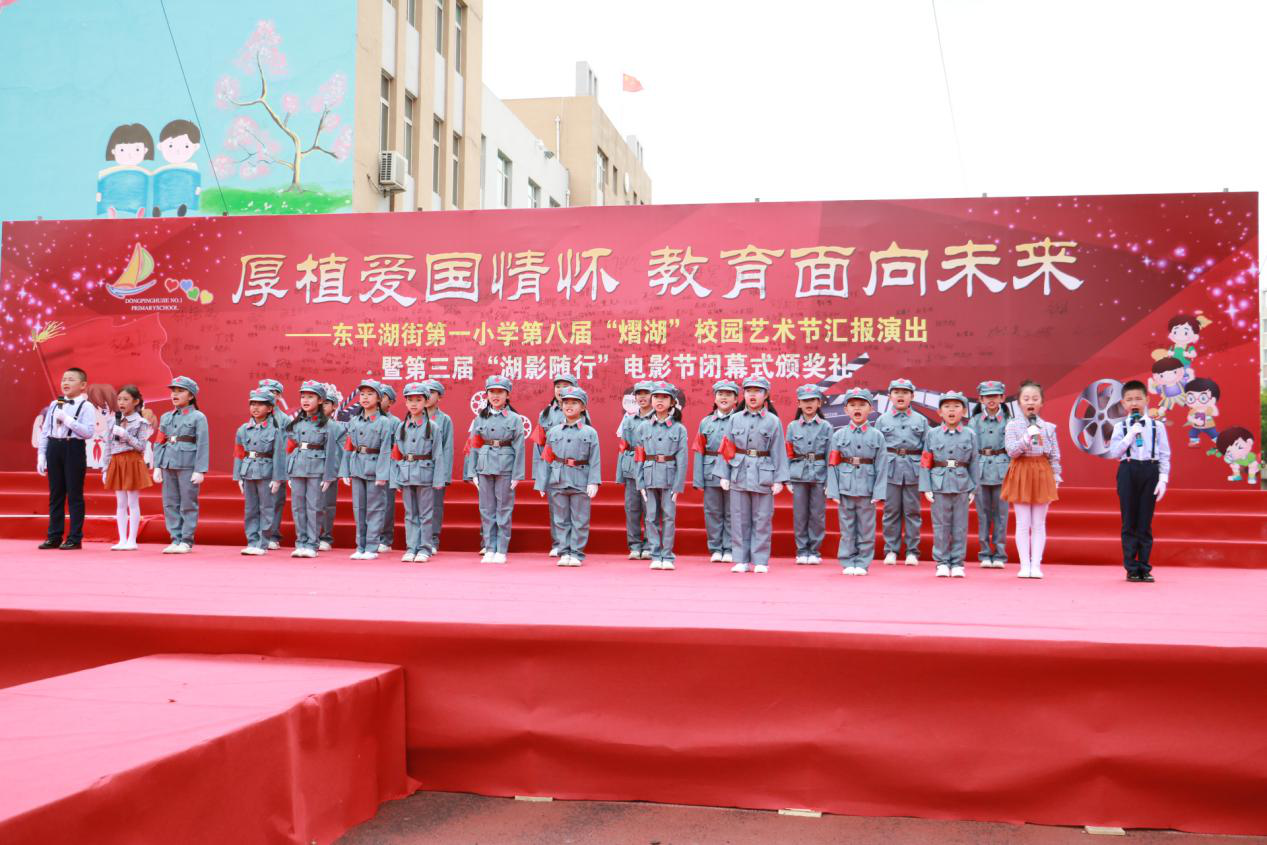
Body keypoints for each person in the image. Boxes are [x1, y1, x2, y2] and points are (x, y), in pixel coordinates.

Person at [716, 376, 789, 574]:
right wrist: (724, 473)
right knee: (739, 518)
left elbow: (778, 450)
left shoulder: (773, 421)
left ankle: (760, 560)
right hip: (739, 471)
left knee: (762, 518)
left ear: (766, 395)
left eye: (757, 391)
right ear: (744, 395)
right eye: (748, 391)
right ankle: (740, 559)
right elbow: (727, 447)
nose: (752, 395)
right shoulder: (735, 418)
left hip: (763, 473)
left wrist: (779, 479)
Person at [1107, 379, 1170, 582]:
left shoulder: (1157, 426)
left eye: (1138, 398)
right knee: (1129, 520)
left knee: (1145, 521)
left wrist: (1163, 478)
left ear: (1146, 400)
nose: (1134, 402)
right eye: (1129, 399)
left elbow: (1164, 453)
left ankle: (1145, 567)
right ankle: (1131, 568)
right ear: (1124, 404)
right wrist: (1130, 436)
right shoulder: (1120, 427)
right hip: (1128, 469)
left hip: (1150, 469)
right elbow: (1115, 452)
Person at [1001, 380, 1062, 579]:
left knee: (1039, 523)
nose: (1030, 402)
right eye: (1026, 398)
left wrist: (1056, 476)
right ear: (1019, 402)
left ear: (1041, 402)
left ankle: (1036, 565)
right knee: (1022, 522)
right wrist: (1027, 437)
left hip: (1042, 471)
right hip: (1021, 470)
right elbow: (1011, 451)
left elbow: (1054, 455)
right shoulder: (1012, 426)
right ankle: (1024, 565)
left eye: (1035, 399)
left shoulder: (1049, 427)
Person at [825, 388, 890, 575]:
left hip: (867, 489)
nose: (857, 408)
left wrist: (878, 492)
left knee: (866, 528)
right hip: (845, 487)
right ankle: (847, 561)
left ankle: (862, 562)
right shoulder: (838, 436)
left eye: (862, 404)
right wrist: (834, 490)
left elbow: (882, 465)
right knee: (847, 528)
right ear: (845, 410)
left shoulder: (877, 436)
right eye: (852, 405)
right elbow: (833, 464)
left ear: (871, 408)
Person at [463, 375, 526, 564]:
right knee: (486, 508)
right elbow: (474, 445)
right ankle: (489, 547)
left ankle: (501, 549)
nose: (495, 396)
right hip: (484, 465)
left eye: (500, 392)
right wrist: (472, 472)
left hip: (505, 466)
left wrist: (518, 474)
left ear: (507, 394)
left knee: (504, 508)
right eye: (492, 392)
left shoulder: (514, 419)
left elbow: (519, 447)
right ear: (487, 394)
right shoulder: (480, 418)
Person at [919, 391, 980, 578]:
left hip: (962, 484)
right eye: (947, 407)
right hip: (939, 483)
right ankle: (942, 562)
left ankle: (958, 563)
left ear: (963, 411)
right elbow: (925, 460)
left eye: (956, 407)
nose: (951, 410)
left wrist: (974, 489)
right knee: (941, 525)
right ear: (939, 412)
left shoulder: (970, 434)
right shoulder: (932, 434)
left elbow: (975, 462)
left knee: (960, 526)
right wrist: (926, 486)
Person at [539, 386, 601, 566]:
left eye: (574, 403)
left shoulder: (590, 432)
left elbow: (595, 459)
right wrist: (543, 483)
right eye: (566, 402)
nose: (569, 406)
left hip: (580, 479)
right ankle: (563, 551)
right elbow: (547, 458)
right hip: (558, 479)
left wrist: (594, 482)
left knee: (580, 519)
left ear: (583, 407)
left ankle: (576, 553)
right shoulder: (554, 432)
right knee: (560, 519)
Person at [36, 367, 96, 550]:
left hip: (73, 447)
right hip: (54, 447)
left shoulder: (86, 406)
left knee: (74, 494)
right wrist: (41, 455)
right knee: (56, 494)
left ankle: (74, 537)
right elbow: (46, 431)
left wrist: (68, 420)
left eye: (71, 379)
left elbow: (88, 432)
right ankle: (54, 536)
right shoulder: (55, 404)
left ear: (83, 385)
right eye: (63, 379)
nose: (65, 383)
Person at [391, 382, 451, 563]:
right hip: (407, 473)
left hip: (425, 474)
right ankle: (411, 547)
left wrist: (439, 479)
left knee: (426, 514)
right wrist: (395, 480)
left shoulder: (433, 427)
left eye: (418, 400)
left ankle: (424, 548)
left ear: (425, 402)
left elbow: (439, 455)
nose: (414, 404)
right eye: (410, 400)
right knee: (410, 514)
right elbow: (396, 454)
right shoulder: (401, 427)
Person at [151, 376, 209, 554]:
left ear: (191, 396)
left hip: (187, 464)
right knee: (170, 503)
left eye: (180, 391)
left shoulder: (198, 417)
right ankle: (175, 538)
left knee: (188, 503)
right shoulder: (167, 417)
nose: (175, 394)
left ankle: (186, 540)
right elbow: (160, 441)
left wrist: (200, 470)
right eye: (173, 391)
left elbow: (203, 443)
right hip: (169, 462)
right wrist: (157, 465)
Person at [338, 380, 395, 560]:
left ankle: (371, 546)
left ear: (379, 398)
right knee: (359, 508)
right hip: (357, 466)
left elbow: (387, 449)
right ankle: (360, 546)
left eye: (370, 394)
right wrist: (345, 470)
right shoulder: (354, 420)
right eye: (362, 394)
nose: (365, 398)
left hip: (375, 467)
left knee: (375, 508)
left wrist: (383, 474)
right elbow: (348, 446)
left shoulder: (385, 422)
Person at [285, 381, 340, 558]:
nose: (305, 400)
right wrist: (287, 471)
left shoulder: (328, 425)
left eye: (310, 397)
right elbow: (290, 447)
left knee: (314, 507)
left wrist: (329, 475)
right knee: (298, 507)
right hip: (298, 467)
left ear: (320, 400)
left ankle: (312, 543)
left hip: (317, 468)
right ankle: (300, 542)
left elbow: (331, 451)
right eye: (303, 397)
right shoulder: (296, 423)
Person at [636, 381, 688, 570]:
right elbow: (639, 456)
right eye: (656, 397)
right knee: (650, 517)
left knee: (668, 517)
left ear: (672, 402)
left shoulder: (679, 429)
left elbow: (682, 459)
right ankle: (655, 554)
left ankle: (667, 555)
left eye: (664, 397)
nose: (659, 401)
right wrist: (639, 482)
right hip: (649, 476)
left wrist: (678, 486)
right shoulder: (643, 427)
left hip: (669, 476)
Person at [878, 378, 928, 565]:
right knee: (891, 511)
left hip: (913, 470)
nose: (900, 395)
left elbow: (927, 450)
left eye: (905, 392)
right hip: (890, 470)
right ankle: (891, 549)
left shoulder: (921, 420)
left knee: (912, 512)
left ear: (912, 396)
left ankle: (912, 551)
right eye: (896, 392)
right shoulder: (882, 420)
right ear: (889, 396)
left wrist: (925, 475)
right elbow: (878, 449)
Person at [233, 390, 286, 555]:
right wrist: (238, 476)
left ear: (270, 408)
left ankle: (263, 542)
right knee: (250, 508)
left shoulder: (275, 429)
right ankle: (251, 541)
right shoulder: (243, 429)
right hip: (248, 471)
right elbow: (238, 453)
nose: (255, 408)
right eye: (253, 404)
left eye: (260, 404)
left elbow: (279, 454)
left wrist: (277, 478)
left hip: (266, 472)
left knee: (266, 508)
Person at [532, 373, 580, 558]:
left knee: (575, 510)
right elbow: (539, 444)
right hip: (554, 468)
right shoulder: (545, 413)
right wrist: (540, 474)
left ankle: (574, 546)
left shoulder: (581, 411)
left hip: (575, 469)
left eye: (566, 385)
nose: (561, 389)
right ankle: (559, 543)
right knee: (556, 509)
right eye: (558, 386)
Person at [692, 380, 739, 562]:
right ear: (715, 397)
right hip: (710, 471)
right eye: (720, 394)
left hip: (732, 471)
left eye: (728, 394)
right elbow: (699, 450)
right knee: (712, 511)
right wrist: (698, 479)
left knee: (731, 512)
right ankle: (715, 548)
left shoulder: (739, 419)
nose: (724, 397)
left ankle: (729, 548)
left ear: (736, 399)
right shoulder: (705, 422)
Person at [102, 385, 153, 550]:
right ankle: (122, 539)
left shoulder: (142, 422)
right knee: (120, 502)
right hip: (116, 462)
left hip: (132, 461)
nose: (121, 403)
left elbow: (141, 446)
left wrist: (126, 435)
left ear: (136, 401)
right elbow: (108, 447)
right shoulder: (112, 421)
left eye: (126, 399)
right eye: (119, 399)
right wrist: (105, 468)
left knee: (132, 501)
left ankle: (132, 540)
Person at [786, 384, 832, 564]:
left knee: (817, 514)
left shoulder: (826, 426)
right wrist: (787, 478)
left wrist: (830, 480)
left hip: (819, 473)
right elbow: (789, 451)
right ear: (798, 403)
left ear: (819, 402)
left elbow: (831, 454)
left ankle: (814, 551)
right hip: (798, 474)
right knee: (800, 514)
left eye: (812, 400)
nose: (808, 404)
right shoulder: (792, 426)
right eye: (805, 401)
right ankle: (802, 550)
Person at [968, 380, 1011, 569]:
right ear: (981, 399)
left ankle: (1000, 554)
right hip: (980, 469)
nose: (991, 400)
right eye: (987, 397)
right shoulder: (974, 421)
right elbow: (969, 449)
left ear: (1002, 398)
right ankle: (984, 553)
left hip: (1003, 469)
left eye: (995, 396)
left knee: (1002, 514)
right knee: (983, 514)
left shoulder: (1010, 422)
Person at [615, 380, 654, 559]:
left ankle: (649, 545)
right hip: (631, 469)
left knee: (651, 509)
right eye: (639, 394)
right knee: (632, 508)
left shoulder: (658, 418)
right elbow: (623, 447)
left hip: (652, 469)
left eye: (646, 393)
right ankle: (634, 545)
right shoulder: (628, 419)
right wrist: (619, 475)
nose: (643, 397)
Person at [259, 378, 289, 550]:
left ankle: (273, 535)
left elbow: (286, 446)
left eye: (272, 392)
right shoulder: (256, 414)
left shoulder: (283, 419)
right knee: (259, 501)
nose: (268, 395)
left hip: (276, 464)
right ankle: (258, 534)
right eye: (264, 391)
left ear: (278, 396)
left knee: (275, 500)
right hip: (258, 465)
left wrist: (282, 472)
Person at [423, 379, 453, 551]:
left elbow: (447, 448)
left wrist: (444, 475)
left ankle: (432, 540)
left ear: (439, 397)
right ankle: (417, 540)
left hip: (435, 469)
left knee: (435, 506)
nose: (428, 396)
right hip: (416, 469)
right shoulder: (413, 416)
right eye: (425, 392)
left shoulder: (445, 420)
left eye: (432, 392)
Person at [317, 384, 345, 551]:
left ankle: (326, 537)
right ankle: (308, 536)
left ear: (334, 406)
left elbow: (339, 453)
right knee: (309, 505)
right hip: (309, 469)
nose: (323, 407)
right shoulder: (306, 424)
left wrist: (332, 473)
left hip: (328, 471)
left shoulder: (339, 428)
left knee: (327, 505)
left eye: (327, 403)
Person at [377, 384, 400, 552]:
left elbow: (399, 449)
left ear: (390, 402)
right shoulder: (362, 418)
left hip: (388, 465)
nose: (378, 400)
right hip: (367, 464)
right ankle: (369, 538)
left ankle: (385, 539)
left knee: (386, 505)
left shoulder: (395, 422)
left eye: (382, 396)